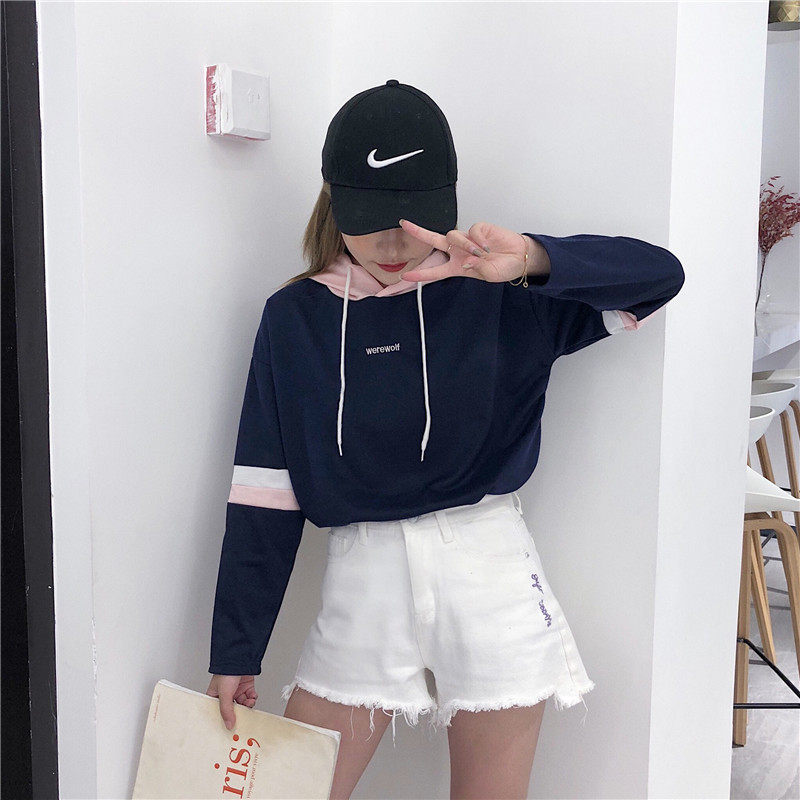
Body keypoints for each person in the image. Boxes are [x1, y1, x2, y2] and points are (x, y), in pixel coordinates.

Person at [205, 79, 685, 798]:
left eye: (413, 220)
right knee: (289, 790)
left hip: (488, 571)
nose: (393, 244)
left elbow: (660, 276)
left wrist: (532, 258)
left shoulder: (505, 298)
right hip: (363, 583)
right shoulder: (295, 319)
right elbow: (265, 494)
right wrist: (236, 648)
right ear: (335, 202)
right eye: (371, 221)